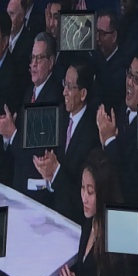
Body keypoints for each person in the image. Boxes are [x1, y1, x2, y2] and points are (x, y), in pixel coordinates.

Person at [0, 32, 63, 194]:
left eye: (39, 58)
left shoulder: (54, 97)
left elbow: (37, 152)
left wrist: (12, 133)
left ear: (51, 62)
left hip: (36, 190)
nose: (33, 64)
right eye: (32, 58)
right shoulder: (29, 92)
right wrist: (7, 131)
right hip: (20, 181)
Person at [32, 63, 100, 223]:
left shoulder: (92, 133)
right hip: (51, 210)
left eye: (70, 87)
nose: (64, 92)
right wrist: (46, 169)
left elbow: (80, 189)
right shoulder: (60, 116)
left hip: (73, 219)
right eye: (64, 84)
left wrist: (55, 171)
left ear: (83, 94)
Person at [97, 51, 138, 207]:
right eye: (129, 74)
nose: (129, 82)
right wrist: (105, 141)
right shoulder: (121, 109)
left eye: (137, 79)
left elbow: (133, 187)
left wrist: (110, 141)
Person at [91, 9, 129, 111]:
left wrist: (98, 55)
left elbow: (109, 92)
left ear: (114, 36)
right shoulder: (92, 59)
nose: (97, 38)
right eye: (96, 32)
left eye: (102, 33)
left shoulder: (122, 68)